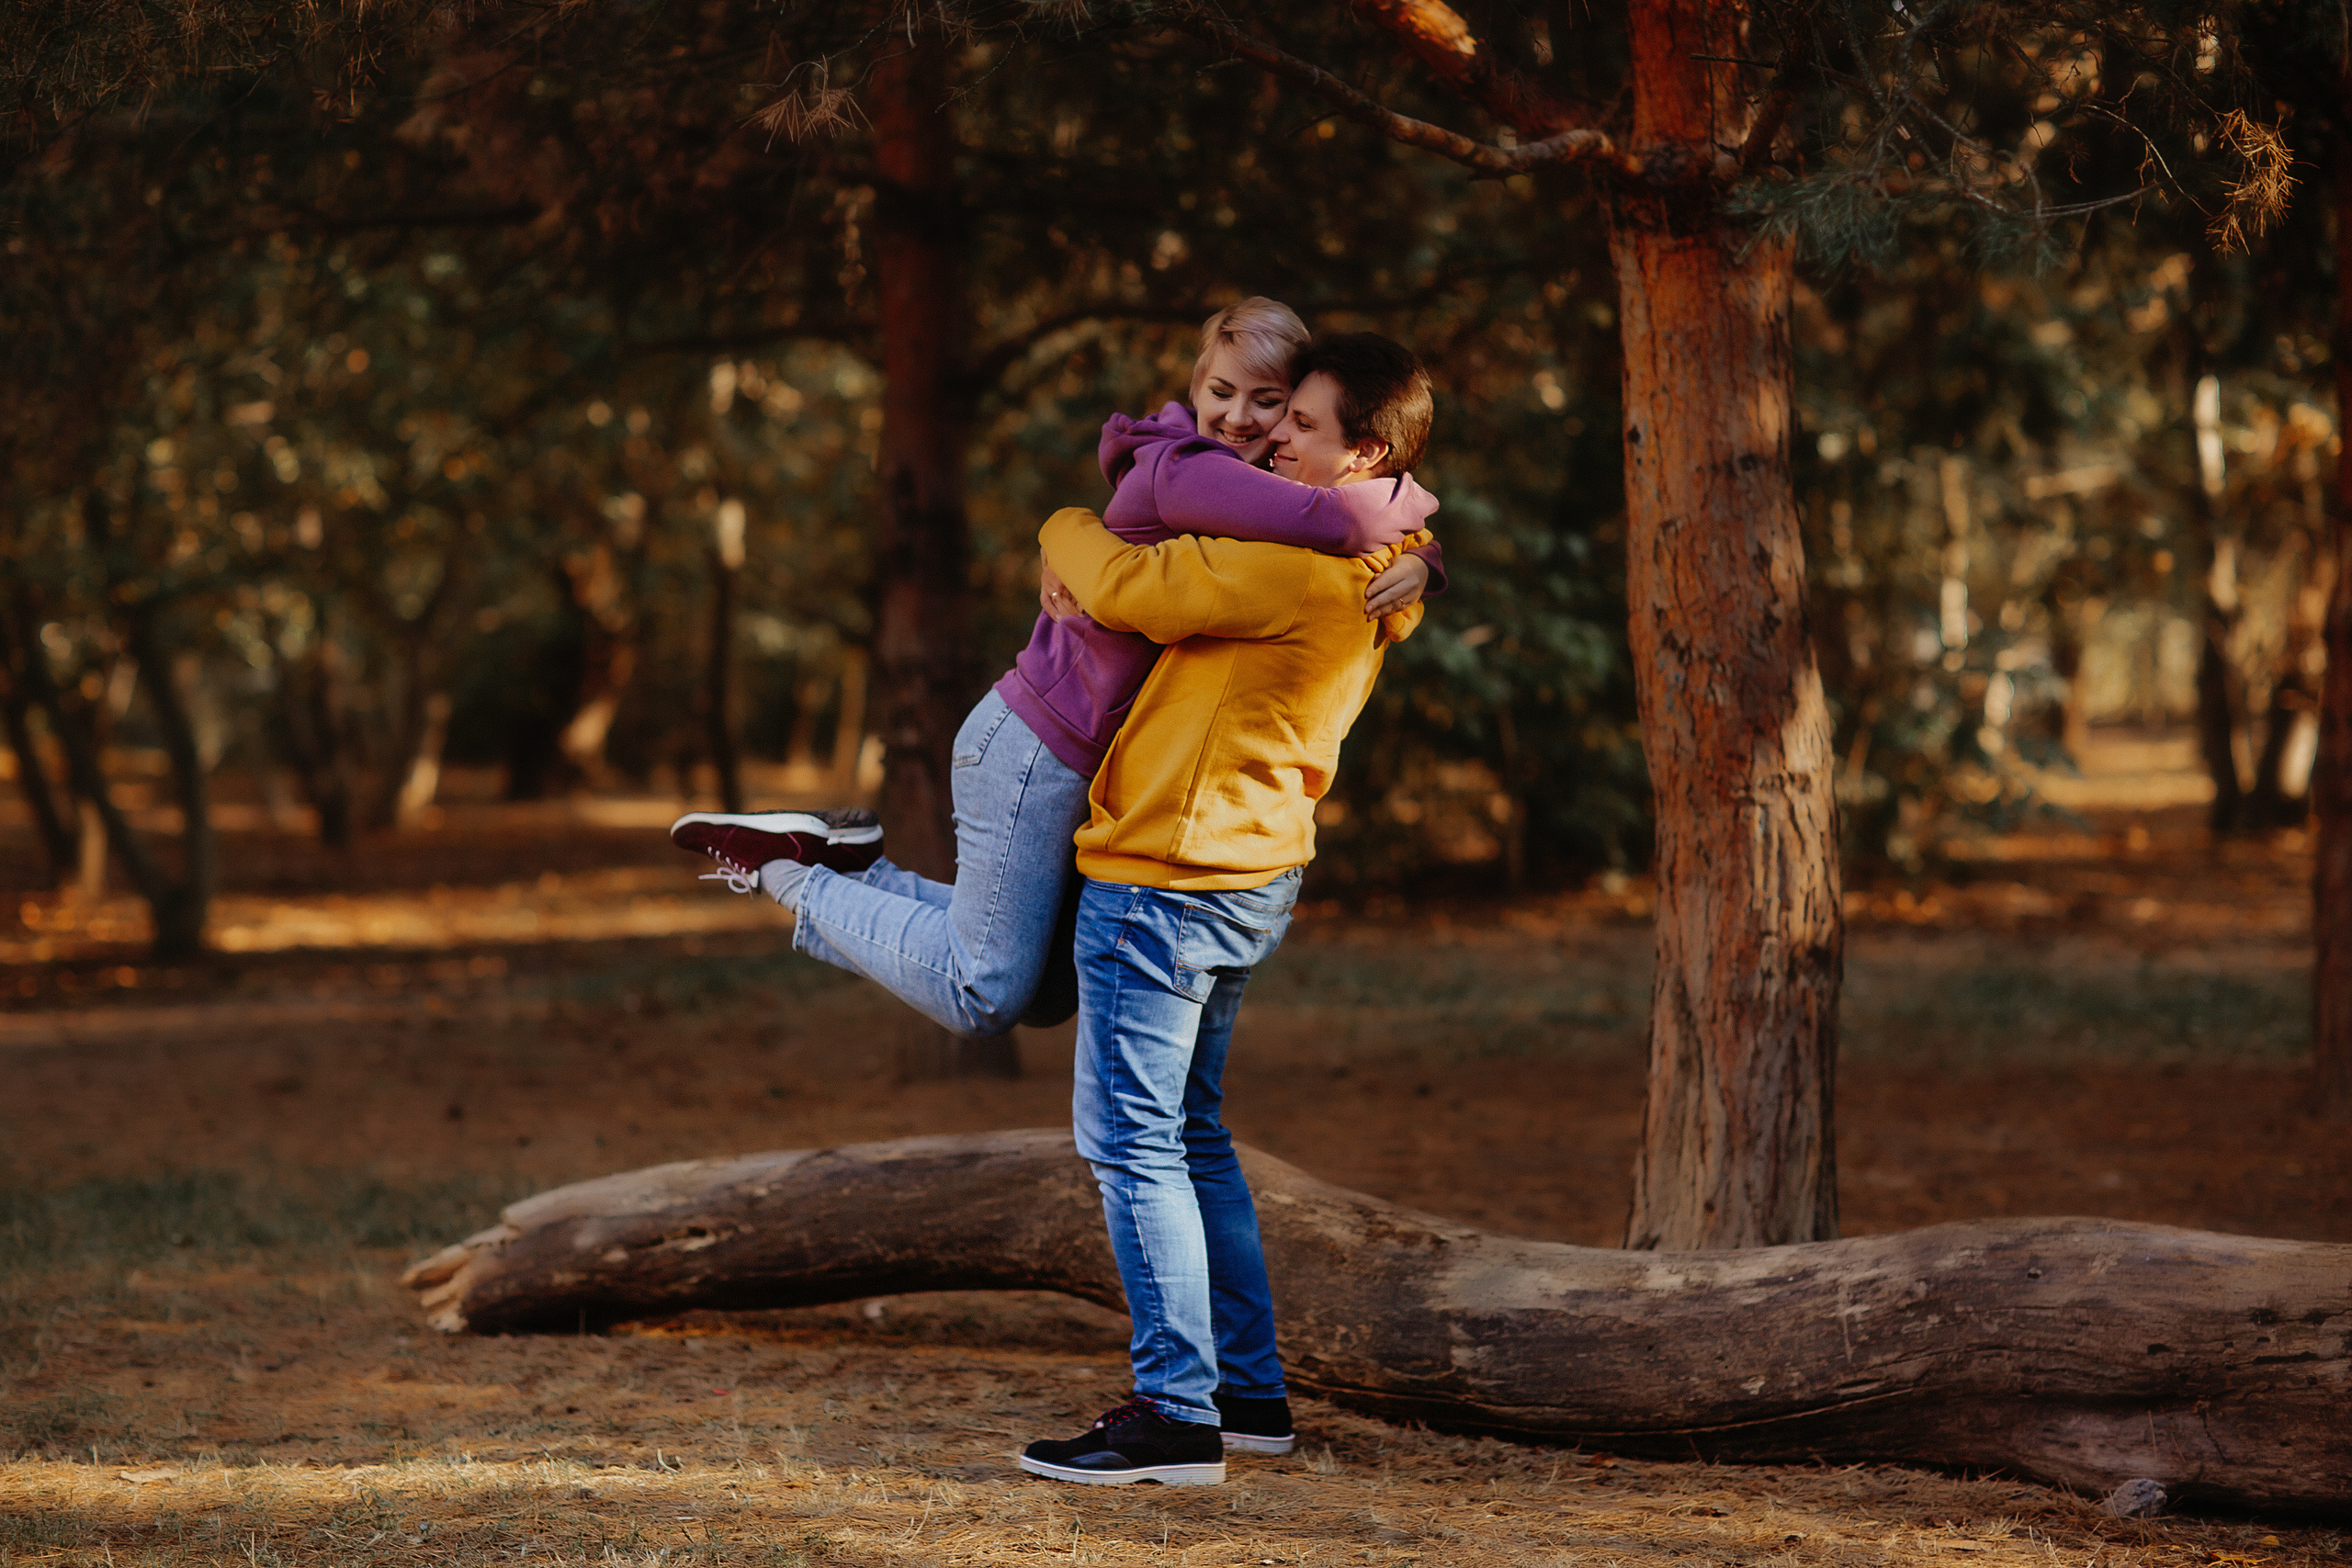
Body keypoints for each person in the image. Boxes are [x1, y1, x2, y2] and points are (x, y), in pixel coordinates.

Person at [669, 301, 1442, 1043]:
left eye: (1272, 402)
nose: (1241, 416)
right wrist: (1421, 518)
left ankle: (844, 863)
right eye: (1221, 391)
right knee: (985, 992)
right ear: (1194, 385)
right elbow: (1338, 520)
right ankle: (781, 871)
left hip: (1073, 754)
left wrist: (1424, 561)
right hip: (1037, 743)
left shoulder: (1256, 495)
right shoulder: (1187, 469)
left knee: (1042, 990)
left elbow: (1329, 539)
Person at [1012, 333, 1438, 1486]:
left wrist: (1058, 527)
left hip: (1165, 880)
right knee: (1191, 1137)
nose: (1266, 437)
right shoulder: (1369, 561)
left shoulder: (1289, 567)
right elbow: (1399, 541)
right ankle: (1246, 1395)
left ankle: (1174, 1413)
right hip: (1244, 877)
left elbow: (1114, 583)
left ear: (1367, 451)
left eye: (1299, 423)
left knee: (1133, 1146)